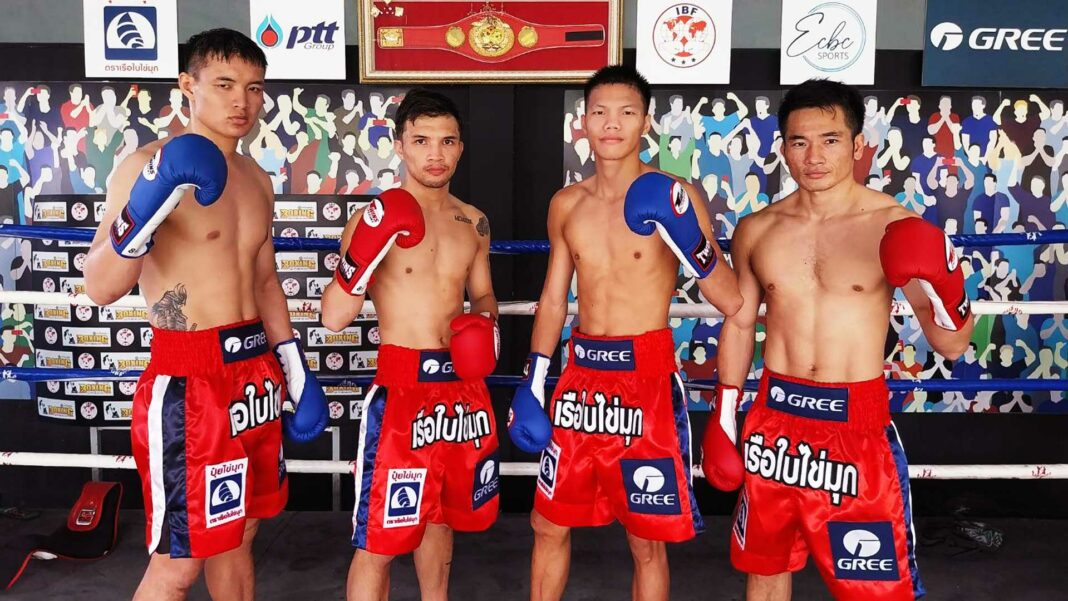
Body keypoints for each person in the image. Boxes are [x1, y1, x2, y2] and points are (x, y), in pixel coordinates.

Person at [701, 78, 973, 600]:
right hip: (775, 423)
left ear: (857, 144)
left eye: (830, 140)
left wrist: (949, 288)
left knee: (873, 589)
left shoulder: (893, 226)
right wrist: (725, 414)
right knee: (765, 571)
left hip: (855, 425)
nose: (814, 157)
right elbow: (739, 322)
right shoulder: (757, 228)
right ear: (783, 149)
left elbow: (952, 344)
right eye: (799, 142)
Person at [83, 29, 327, 600]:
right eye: (224, 84)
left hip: (255, 375)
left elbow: (264, 280)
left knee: (242, 535)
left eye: (255, 88)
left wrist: (294, 368)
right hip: (188, 381)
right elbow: (100, 287)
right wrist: (142, 214)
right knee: (179, 563)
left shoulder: (257, 178)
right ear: (187, 86)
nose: (242, 101)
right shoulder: (144, 165)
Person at [507, 65, 742, 601]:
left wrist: (688, 239)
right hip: (581, 378)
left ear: (646, 122)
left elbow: (730, 299)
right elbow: (553, 299)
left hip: (647, 378)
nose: (612, 124)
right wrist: (533, 381)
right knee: (547, 523)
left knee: (645, 540)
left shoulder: (678, 194)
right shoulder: (567, 204)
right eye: (600, 112)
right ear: (583, 121)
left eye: (626, 112)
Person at [321, 89, 500, 601]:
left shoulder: (474, 220)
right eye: (421, 141)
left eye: (447, 141)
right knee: (378, 541)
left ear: (461, 147)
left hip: (462, 391)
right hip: (402, 391)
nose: (435, 154)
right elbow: (334, 317)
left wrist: (485, 328)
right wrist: (362, 257)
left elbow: (483, 295)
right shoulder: (372, 219)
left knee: (441, 520)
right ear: (399, 145)